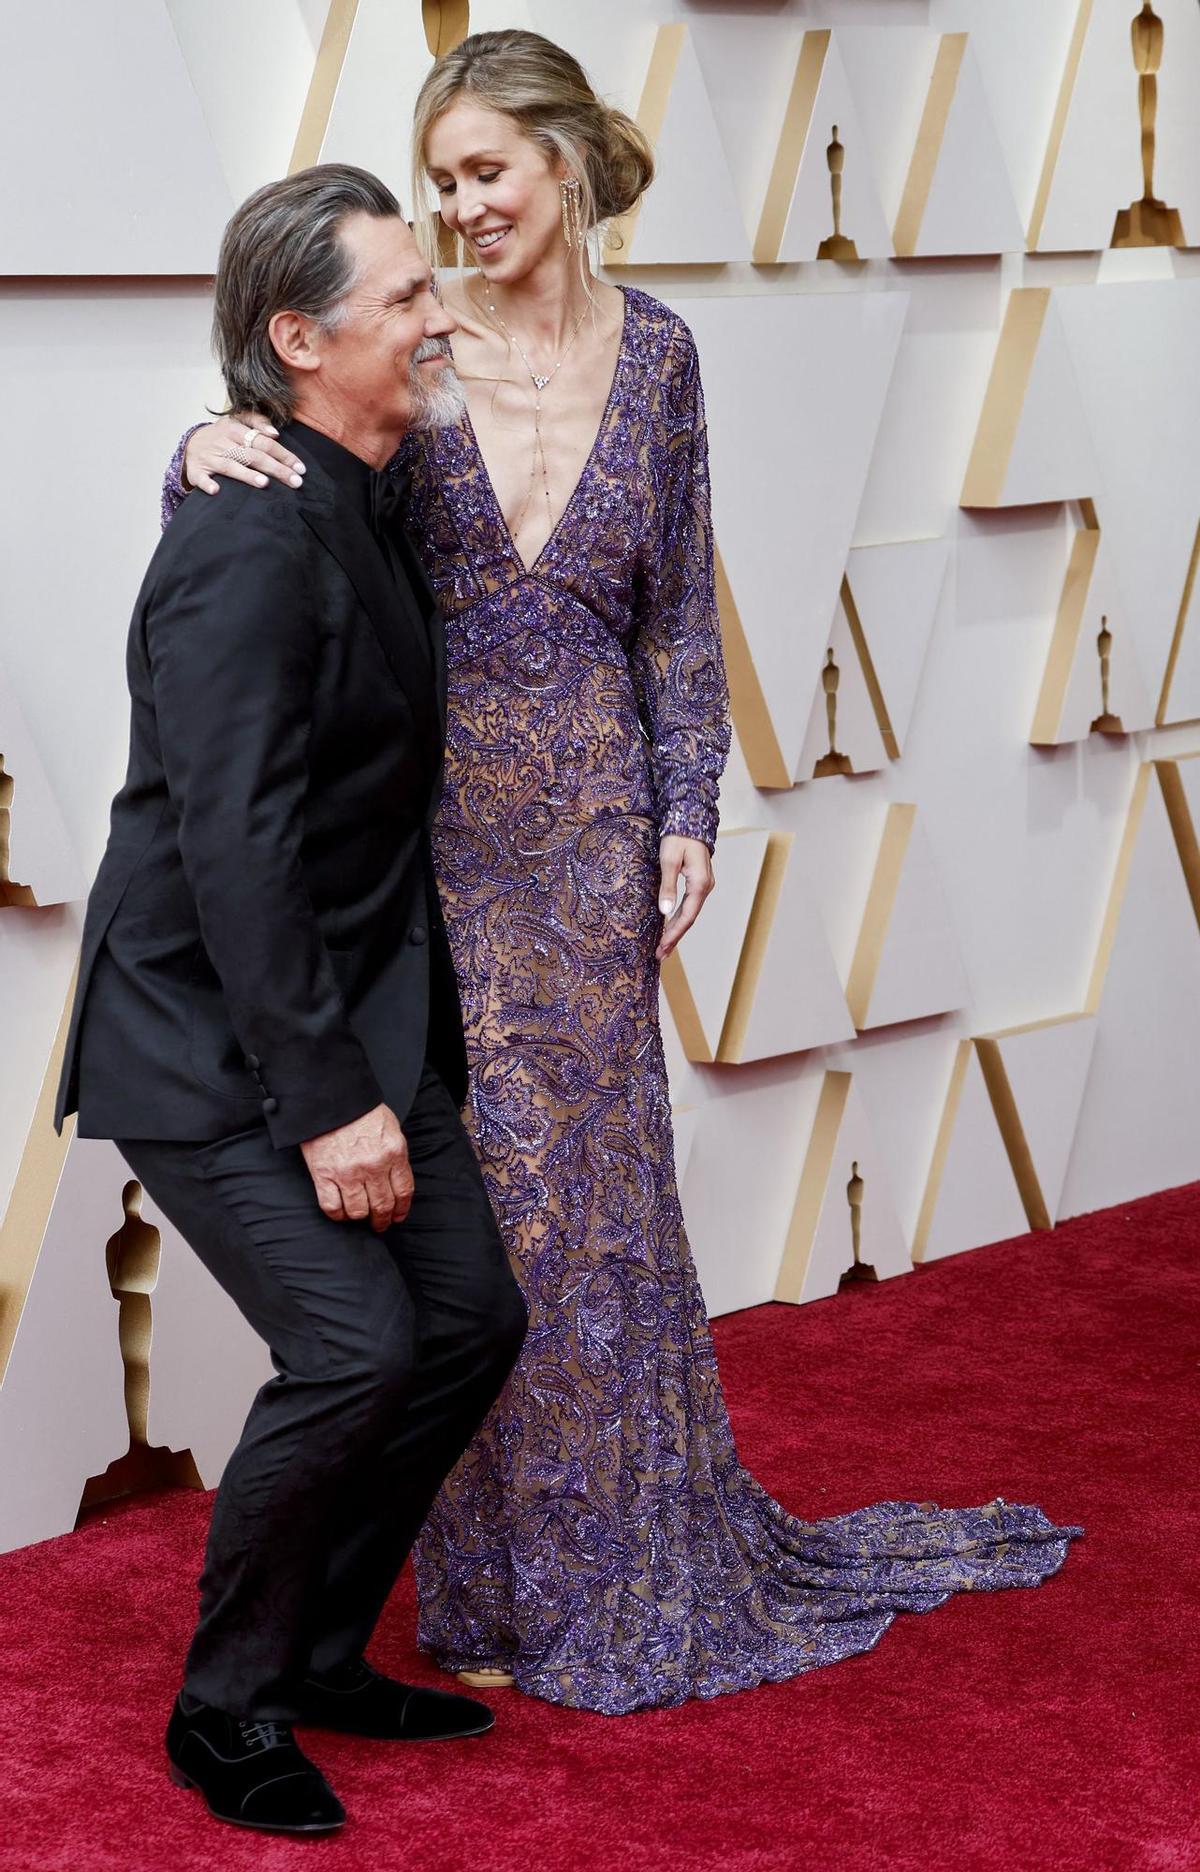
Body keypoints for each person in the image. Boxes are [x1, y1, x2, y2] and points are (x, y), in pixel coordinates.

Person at [164, 31, 1080, 1717]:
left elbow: (674, 612)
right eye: (439, 182)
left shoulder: (659, 358)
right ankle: (488, 1586)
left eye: (485, 172)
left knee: (599, 1219)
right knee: (482, 1227)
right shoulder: (415, 354)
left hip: (587, 839)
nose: (458, 208)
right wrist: (200, 444)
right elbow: (298, 451)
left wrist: (689, 807)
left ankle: (628, 1560)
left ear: (565, 164)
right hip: (426, 854)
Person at [58, 163, 528, 1834]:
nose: (435, 318)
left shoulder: (357, 483)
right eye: (402, 298)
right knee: (354, 1347)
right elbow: (235, 848)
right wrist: (332, 1103)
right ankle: (226, 1707)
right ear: (298, 338)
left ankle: (322, 1650)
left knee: (472, 1322)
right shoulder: (250, 536)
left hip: (362, 1007)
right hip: (207, 1033)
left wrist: (197, 439)